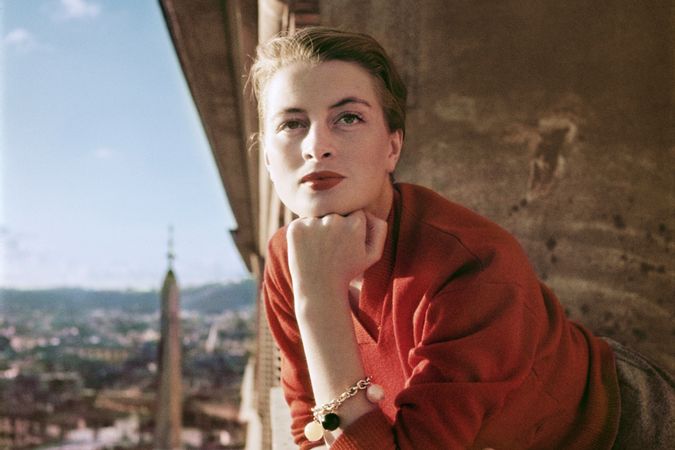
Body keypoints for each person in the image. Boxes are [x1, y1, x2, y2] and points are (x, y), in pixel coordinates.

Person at [250, 26, 674, 449]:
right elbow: (310, 428)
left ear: (392, 146)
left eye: (348, 118)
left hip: (618, 429)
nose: (316, 146)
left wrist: (320, 302)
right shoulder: (290, 258)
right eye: (292, 123)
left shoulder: (472, 265)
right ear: (268, 158)